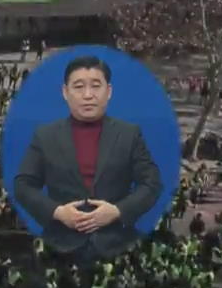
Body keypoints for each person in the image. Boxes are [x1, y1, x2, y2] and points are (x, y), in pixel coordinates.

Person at [12, 55, 163, 263]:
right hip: (59, 244)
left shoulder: (129, 134)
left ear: (108, 92)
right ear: (65, 92)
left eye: (95, 86)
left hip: (118, 245)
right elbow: (23, 185)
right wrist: (58, 212)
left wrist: (117, 211)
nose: (88, 95)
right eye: (79, 86)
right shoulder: (45, 135)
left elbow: (152, 183)